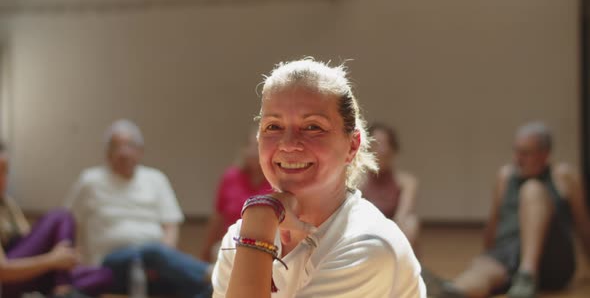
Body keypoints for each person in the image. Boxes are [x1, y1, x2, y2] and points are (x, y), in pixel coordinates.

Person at [211, 58, 426, 297]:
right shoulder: (243, 232)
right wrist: (257, 223)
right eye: (273, 126)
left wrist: (257, 227)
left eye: (313, 127)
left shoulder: (368, 244)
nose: (289, 144)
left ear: (352, 146)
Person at [431, 122, 590, 298]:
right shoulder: (505, 176)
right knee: (480, 272)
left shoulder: (564, 176)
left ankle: (527, 273)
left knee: (531, 190)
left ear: (545, 155)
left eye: (526, 153)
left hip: (552, 256)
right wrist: (488, 258)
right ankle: (447, 292)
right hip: (510, 253)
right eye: (516, 151)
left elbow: (583, 226)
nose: (517, 159)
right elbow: (494, 224)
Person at [65, 119, 212, 298]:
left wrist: (162, 261)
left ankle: (213, 280)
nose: (123, 153)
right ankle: (213, 273)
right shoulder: (90, 181)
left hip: (155, 263)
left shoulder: (156, 179)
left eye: (130, 146)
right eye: (116, 147)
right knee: (152, 252)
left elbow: (170, 226)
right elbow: (69, 223)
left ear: (140, 151)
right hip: (109, 265)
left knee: (198, 288)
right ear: (107, 153)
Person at [0, 142, 112, 298]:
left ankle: (61, 286)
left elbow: (29, 241)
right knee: (61, 216)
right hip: (7, 281)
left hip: (29, 275)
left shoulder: (7, 204)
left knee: (104, 274)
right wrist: (52, 260)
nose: (3, 178)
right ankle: (63, 287)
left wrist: (66, 257)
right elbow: (2, 271)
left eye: (5, 171)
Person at [200, 127, 273, 262]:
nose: (253, 151)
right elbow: (218, 218)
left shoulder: (278, 181)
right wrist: (205, 251)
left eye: (258, 146)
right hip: (231, 243)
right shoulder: (231, 176)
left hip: (267, 246)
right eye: (249, 146)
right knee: (220, 253)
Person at [361, 122, 420, 250]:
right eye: (376, 144)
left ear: (393, 149)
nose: (381, 150)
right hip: (366, 232)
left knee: (411, 223)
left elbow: (403, 216)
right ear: (367, 147)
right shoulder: (358, 181)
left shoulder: (407, 182)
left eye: (385, 144)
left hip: (395, 234)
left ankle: (402, 266)